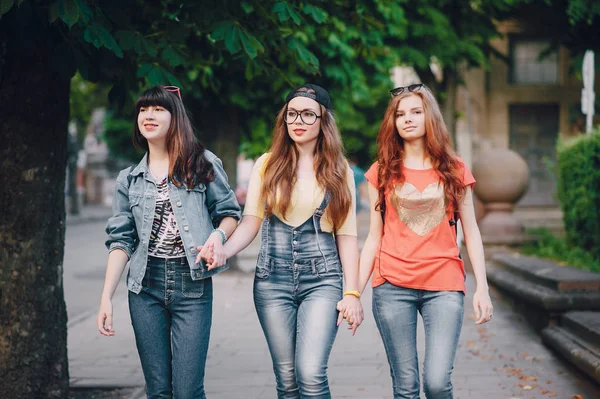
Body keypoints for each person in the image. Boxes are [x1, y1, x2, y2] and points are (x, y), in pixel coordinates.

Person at [201, 84, 363, 398]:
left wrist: (352, 292)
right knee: (287, 380)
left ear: (323, 121)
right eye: (291, 114)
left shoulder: (339, 170)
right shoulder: (267, 164)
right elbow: (250, 222)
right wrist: (223, 250)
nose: (298, 120)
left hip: (323, 280)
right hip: (271, 281)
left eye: (307, 114)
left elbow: (347, 235)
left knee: (311, 374)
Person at [343, 83, 493, 398]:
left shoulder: (454, 169)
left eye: (416, 111)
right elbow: (374, 236)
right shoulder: (381, 172)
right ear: (392, 122)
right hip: (393, 286)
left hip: (445, 284)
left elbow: (472, 231)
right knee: (406, 387)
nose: (408, 119)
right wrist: (354, 291)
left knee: (438, 383)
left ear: (430, 117)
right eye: (400, 114)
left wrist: (482, 287)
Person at [97, 86, 241, 399]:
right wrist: (106, 297)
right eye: (143, 109)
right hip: (145, 287)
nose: (148, 115)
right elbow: (120, 241)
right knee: (159, 391)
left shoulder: (202, 164)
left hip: (192, 284)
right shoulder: (129, 179)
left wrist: (217, 237)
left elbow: (229, 214)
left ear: (175, 117)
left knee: (188, 391)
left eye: (159, 109)